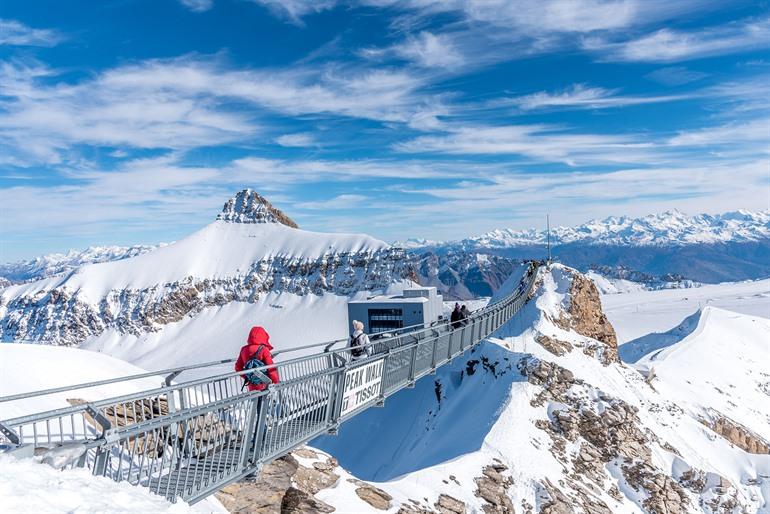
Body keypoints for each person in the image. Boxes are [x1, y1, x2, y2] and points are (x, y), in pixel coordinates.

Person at [235, 326, 280, 391]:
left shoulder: (244, 349)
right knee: (265, 400)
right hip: (265, 383)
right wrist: (275, 382)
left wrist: (248, 377)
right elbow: (271, 367)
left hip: (252, 384)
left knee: (255, 400)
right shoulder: (264, 349)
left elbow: (238, 367)